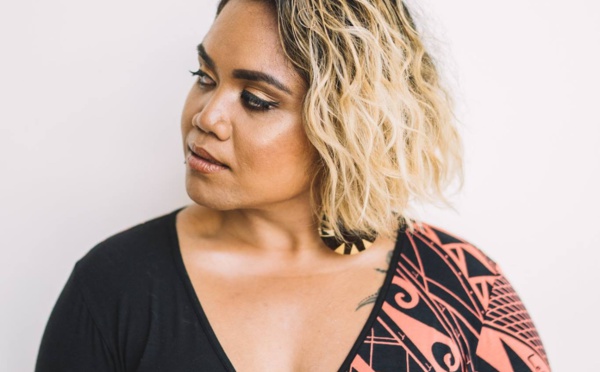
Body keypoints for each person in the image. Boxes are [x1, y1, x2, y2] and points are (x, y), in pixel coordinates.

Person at [35, 0, 550, 371]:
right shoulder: (113, 287)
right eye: (205, 76)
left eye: (256, 99)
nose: (207, 115)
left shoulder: (461, 291)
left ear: (347, 123)